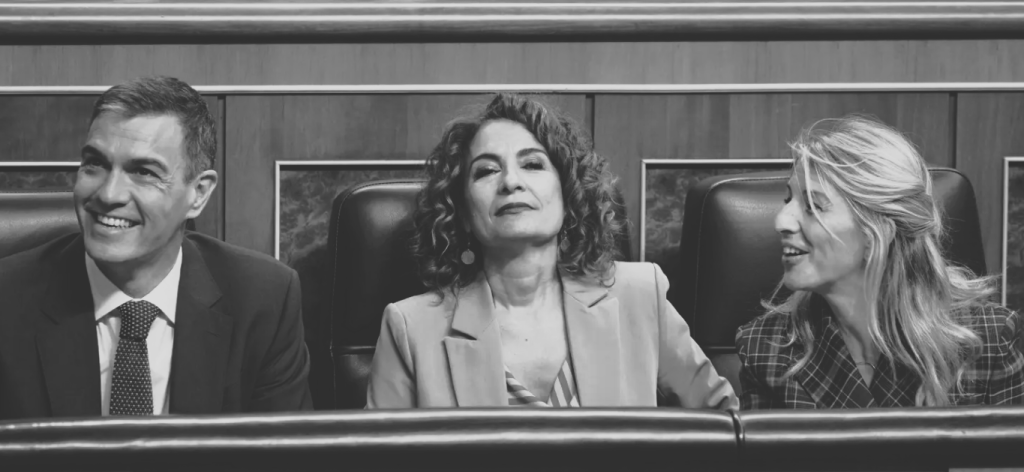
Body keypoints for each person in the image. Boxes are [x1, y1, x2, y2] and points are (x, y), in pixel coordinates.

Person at [366, 93, 737, 409]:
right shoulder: (411, 329)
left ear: (568, 193)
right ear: (462, 213)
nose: (511, 181)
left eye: (532, 164)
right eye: (486, 171)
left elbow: (723, 426)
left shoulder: (640, 299)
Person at [0, 76, 312, 418]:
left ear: (199, 194)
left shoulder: (263, 299)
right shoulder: (9, 300)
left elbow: (282, 465)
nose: (108, 195)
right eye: (95, 164)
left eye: (144, 172)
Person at [735, 115, 1024, 409]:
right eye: (788, 200)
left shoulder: (988, 339)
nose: (781, 221)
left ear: (877, 231)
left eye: (813, 206)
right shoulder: (765, 348)